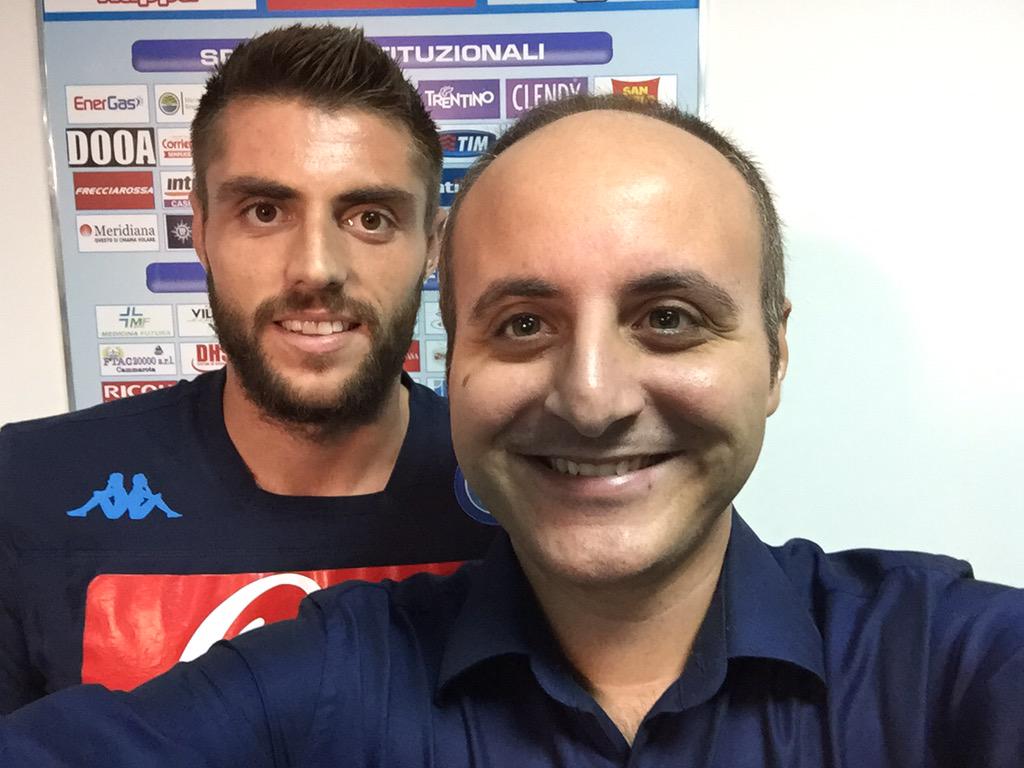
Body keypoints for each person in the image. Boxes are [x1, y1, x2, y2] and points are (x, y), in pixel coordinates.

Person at [3, 93, 1023, 766]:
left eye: (669, 318)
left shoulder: (938, 661)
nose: (592, 397)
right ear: (456, 361)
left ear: (776, 357)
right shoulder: (336, 672)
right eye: (524, 324)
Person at [0, 25, 495, 714]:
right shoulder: (25, 488)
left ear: (432, 244)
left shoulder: (523, 501)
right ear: (200, 229)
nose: (316, 268)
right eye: (265, 211)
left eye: (370, 218)